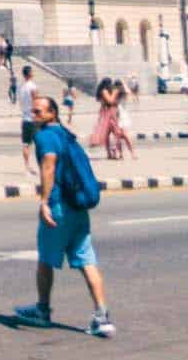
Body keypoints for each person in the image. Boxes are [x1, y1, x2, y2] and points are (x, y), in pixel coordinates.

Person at [15, 93, 115, 337]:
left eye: (39, 111)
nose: (33, 114)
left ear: (52, 114)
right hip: (78, 206)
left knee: (46, 259)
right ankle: (102, 317)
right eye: (32, 110)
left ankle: (42, 310)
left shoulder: (45, 136)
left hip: (59, 206)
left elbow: (48, 165)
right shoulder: (66, 134)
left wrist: (45, 202)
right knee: (87, 260)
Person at [17, 64, 38, 176]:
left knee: (26, 144)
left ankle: (27, 167)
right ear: (29, 73)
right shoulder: (32, 86)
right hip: (33, 118)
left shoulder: (22, 87)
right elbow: (36, 101)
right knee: (40, 143)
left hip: (25, 117)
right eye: (32, 71)